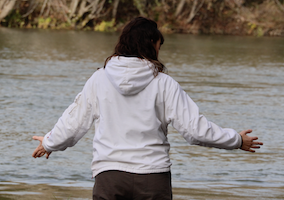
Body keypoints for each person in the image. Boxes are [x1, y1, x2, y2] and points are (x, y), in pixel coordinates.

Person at [32, 17, 263, 200]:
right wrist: (235, 140)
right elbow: (195, 131)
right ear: (151, 45)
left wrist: (50, 142)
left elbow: (73, 124)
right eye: (159, 45)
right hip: (153, 180)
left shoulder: (98, 80)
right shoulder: (164, 83)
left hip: (110, 178)